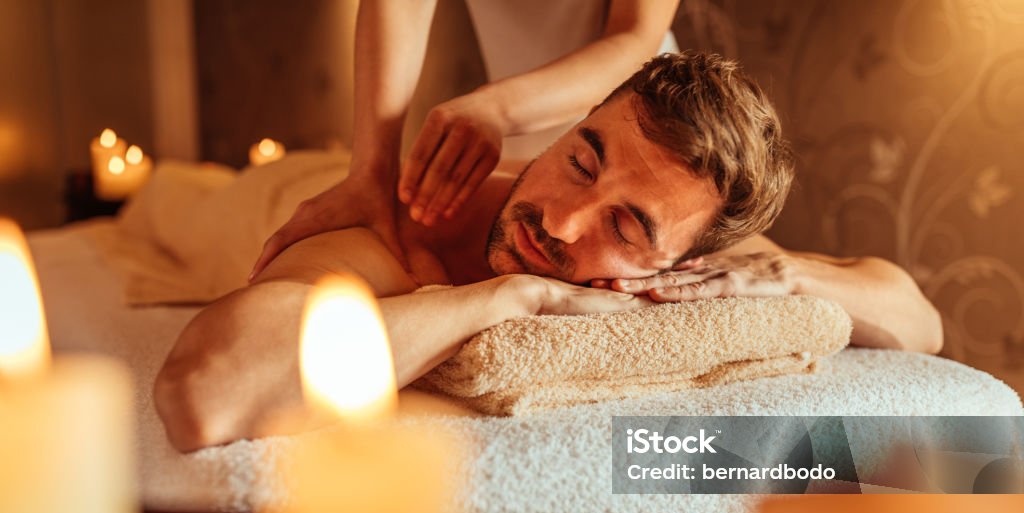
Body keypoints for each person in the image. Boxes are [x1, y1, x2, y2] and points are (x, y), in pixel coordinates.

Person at [155, 52, 943, 452]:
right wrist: (504, 298)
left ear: (676, 260)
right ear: (568, 128)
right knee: (179, 200)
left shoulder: (699, 251)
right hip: (280, 192)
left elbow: (918, 323)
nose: (563, 224)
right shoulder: (402, 228)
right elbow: (203, 396)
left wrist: (792, 272)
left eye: (627, 227)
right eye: (580, 160)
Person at [248, 0, 681, 282]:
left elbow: (633, 39)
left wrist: (497, 109)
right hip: (527, 149)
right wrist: (369, 173)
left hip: (647, 136)